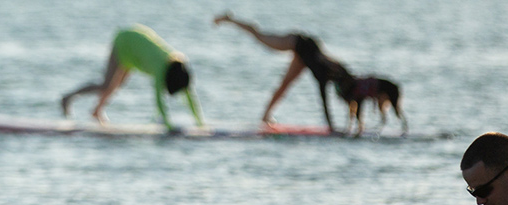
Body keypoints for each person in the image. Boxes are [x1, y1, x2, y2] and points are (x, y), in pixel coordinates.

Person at [212, 12, 350, 130]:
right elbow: (324, 99)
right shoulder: (324, 74)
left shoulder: (331, 71)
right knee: (259, 35)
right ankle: (229, 19)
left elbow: (345, 82)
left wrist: (334, 125)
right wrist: (331, 126)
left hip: (304, 57)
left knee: (284, 85)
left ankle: (265, 116)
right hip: (295, 42)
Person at [59, 25, 204, 132]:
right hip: (124, 42)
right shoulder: (161, 68)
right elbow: (159, 99)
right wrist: (168, 126)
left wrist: (200, 124)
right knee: (106, 85)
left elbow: (189, 94)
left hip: (136, 53)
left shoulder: (178, 68)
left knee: (114, 87)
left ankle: (96, 111)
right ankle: (68, 97)